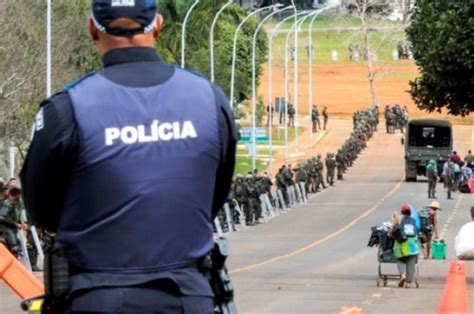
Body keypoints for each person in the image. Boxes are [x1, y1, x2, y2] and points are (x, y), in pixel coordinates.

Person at [19, 1, 237, 312]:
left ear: (92, 28)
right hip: (188, 296)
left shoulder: (67, 109)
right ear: (158, 25)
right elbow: (215, 193)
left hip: (96, 296)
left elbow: (41, 211)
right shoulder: (209, 99)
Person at [390, 204, 420, 288]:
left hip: (401, 244)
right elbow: (417, 230)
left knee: (399, 259)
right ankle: (408, 283)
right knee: (411, 263)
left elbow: (393, 229)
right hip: (413, 245)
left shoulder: (399, 218)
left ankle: (403, 275)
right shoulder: (413, 220)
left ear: (401, 211)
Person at [0, 187, 24, 256]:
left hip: (11, 229)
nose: (20, 197)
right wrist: (15, 224)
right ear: (16, 195)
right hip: (7, 229)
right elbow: (2, 217)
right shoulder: (7, 203)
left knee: (16, 248)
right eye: (19, 195)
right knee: (14, 249)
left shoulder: (11, 203)